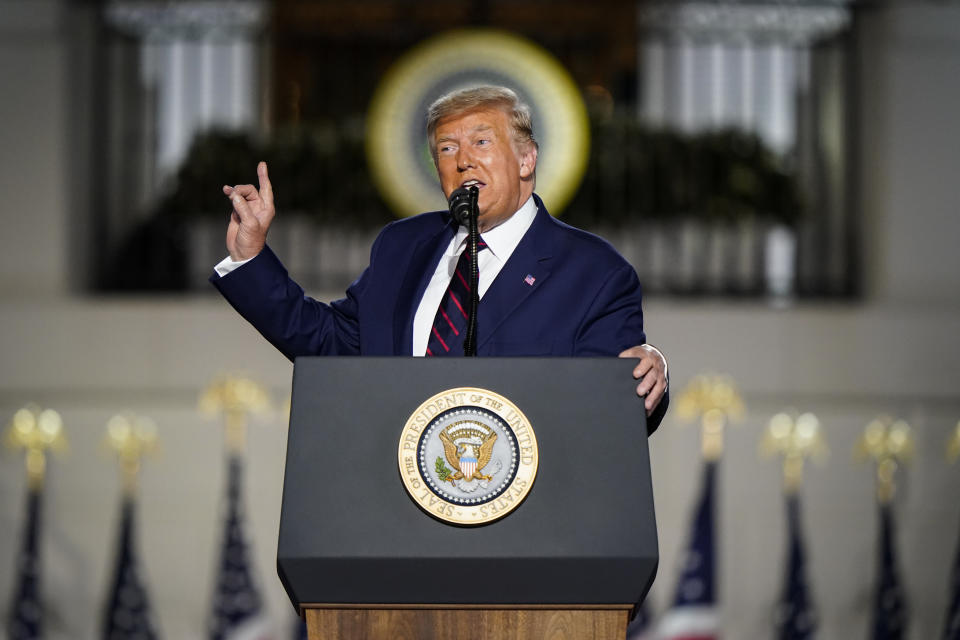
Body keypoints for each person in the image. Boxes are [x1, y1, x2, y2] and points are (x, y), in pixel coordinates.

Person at [211, 85, 669, 432]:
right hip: (397, 508)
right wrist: (251, 258)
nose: (463, 161)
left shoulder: (593, 272)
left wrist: (647, 376)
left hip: (523, 526)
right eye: (447, 149)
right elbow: (336, 345)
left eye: (482, 143)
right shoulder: (402, 246)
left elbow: (612, 413)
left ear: (527, 159)